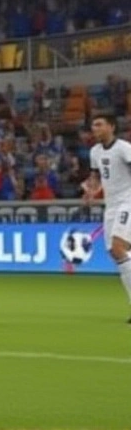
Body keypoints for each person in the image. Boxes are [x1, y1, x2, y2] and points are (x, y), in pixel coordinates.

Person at [83, 113, 131, 320]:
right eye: (93, 125)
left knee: (119, 247)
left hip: (127, 201)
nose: (95, 128)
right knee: (115, 252)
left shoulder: (124, 148)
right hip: (110, 205)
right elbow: (95, 176)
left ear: (111, 126)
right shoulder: (95, 151)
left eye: (99, 124)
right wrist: (91, 191)